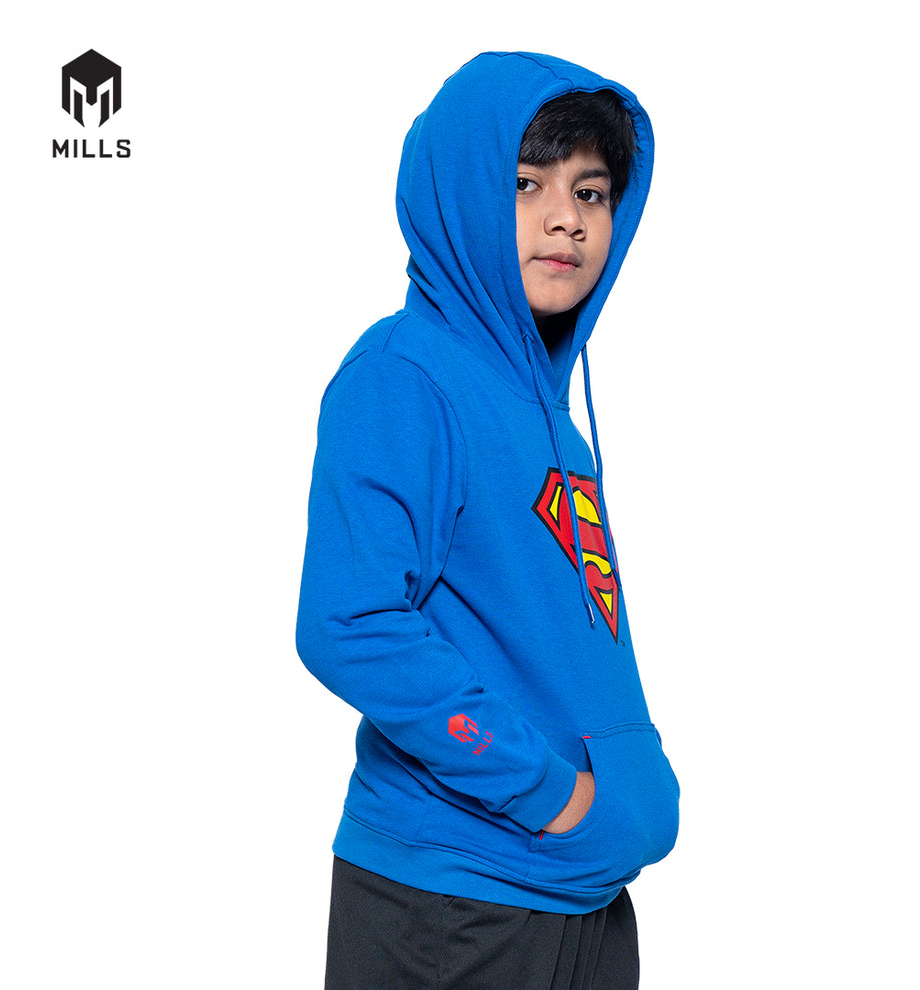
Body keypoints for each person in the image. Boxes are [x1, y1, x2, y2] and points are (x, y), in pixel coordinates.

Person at [296, 51, 679, 989]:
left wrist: (623, 790)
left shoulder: (545, 409)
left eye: (591, 192)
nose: (566, 218)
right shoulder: (404, 376)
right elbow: (349, 623)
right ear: (462, 193)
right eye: (525, 184)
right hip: (456, 899)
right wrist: (550, 793)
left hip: (576, 894)